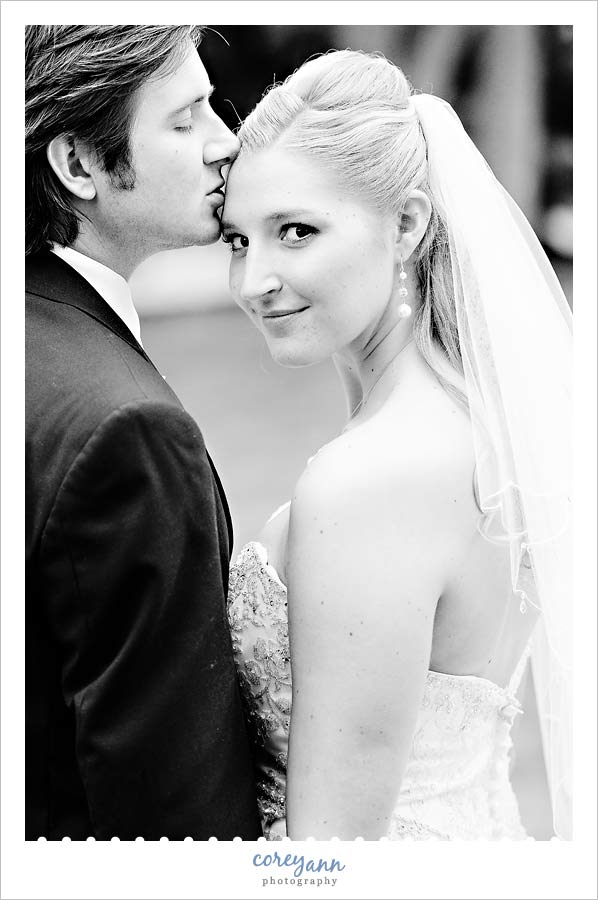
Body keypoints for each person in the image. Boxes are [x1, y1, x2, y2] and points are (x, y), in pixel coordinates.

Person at [222, 50, 572, 840]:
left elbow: (332, 852)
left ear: (407, 223)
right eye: (238, 240)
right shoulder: (477, 425)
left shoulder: (370, 482)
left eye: (296, 232)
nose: (253, 282)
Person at [25, 25, 261, 840]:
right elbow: (174, 818)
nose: (225, 141)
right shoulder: (128, 431)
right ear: (79, 165)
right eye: (186, 117)